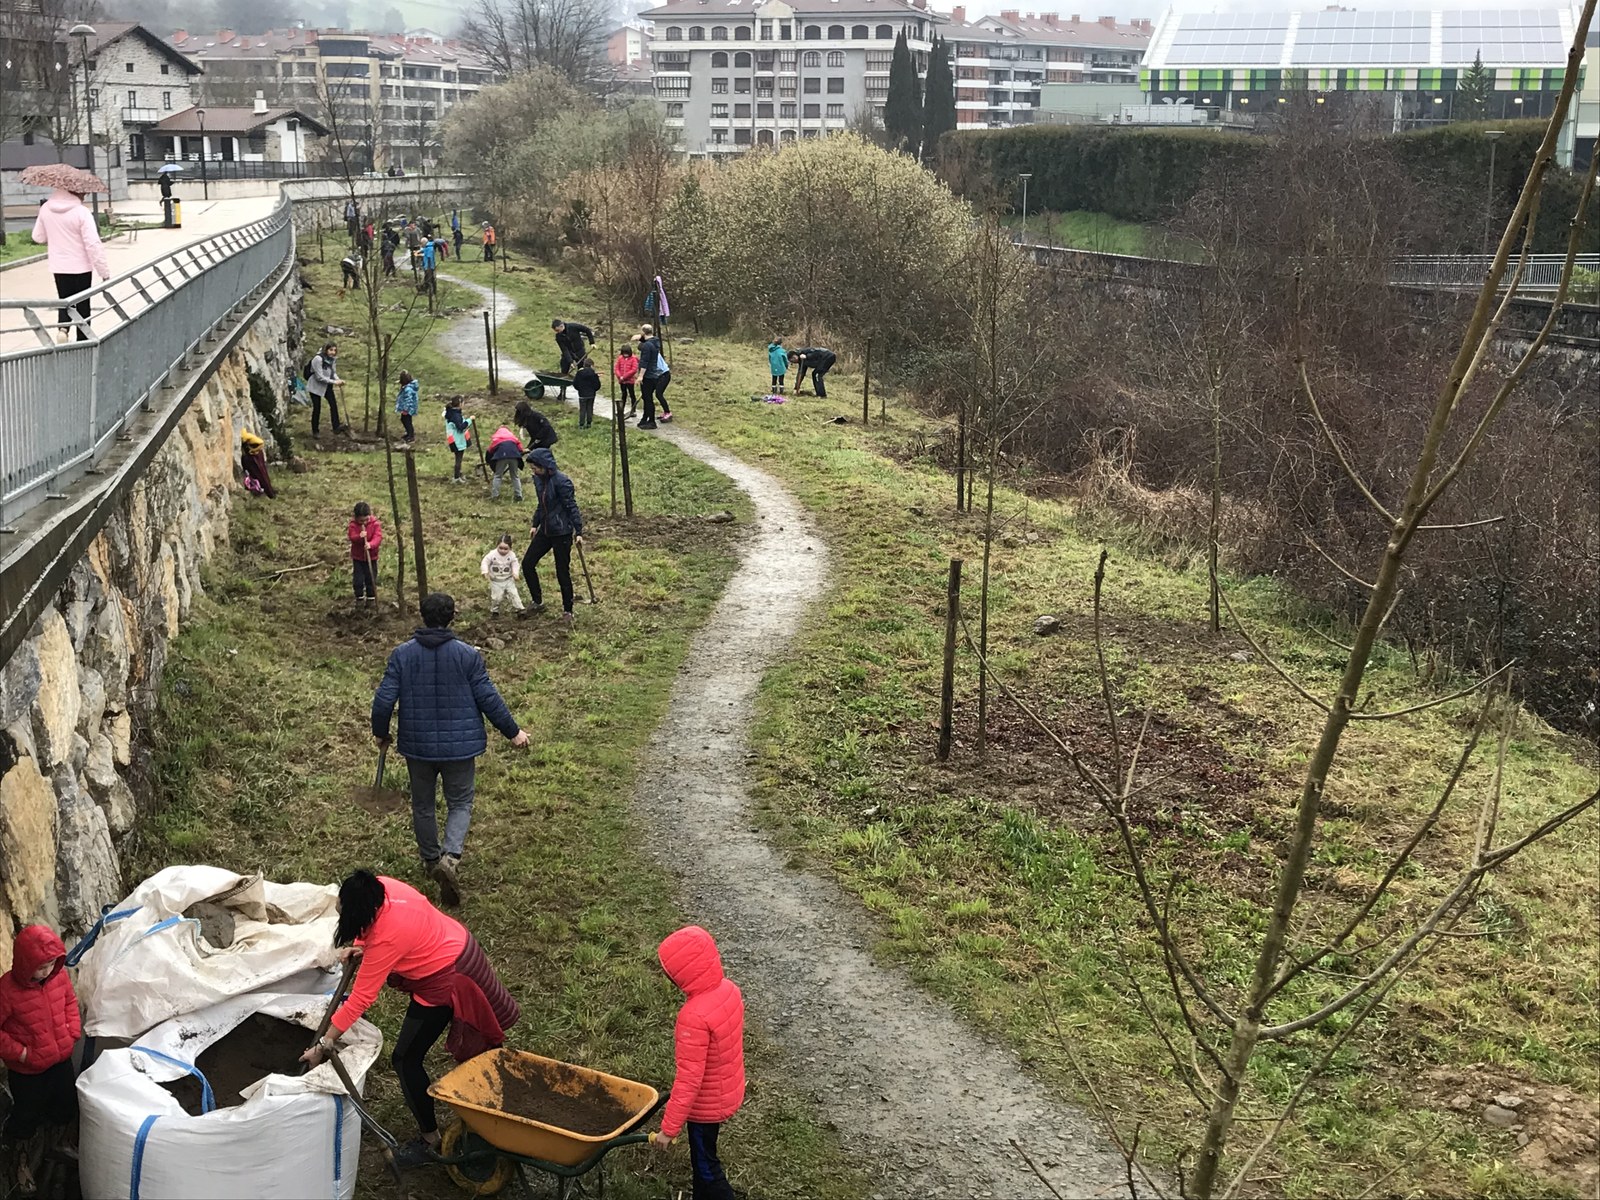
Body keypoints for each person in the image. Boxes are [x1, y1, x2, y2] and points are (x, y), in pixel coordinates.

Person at [300, 871, 521, 1171]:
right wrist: (362, 946)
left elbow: (361, 999)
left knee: (406, 1059)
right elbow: (384, 928)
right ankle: (494, 1105)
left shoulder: (387, 939)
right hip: (455, 942)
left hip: (447, 976)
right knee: (469, 1055)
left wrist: (325, 1042)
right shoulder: (382, 886)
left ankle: (430, 1139)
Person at [371, 592, 530, 904]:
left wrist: (381, 732)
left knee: (423, 804)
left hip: (418, 746)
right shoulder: (467, 655)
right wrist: (514, 732)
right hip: (461, 747)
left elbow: (383, 699)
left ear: (422, 615)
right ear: (452, 617)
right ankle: (451, 858)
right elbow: (488, 698)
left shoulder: (402, 655)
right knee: (460, 803)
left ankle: (431, 861)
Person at [649, 925, 746, 1200]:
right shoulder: (729, 990)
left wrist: (668, 1130)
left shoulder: (693, 1016)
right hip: (727, 1088)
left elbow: (689, 1079)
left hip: (705, 1106)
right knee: (705, 1157)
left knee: (706, 1166)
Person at [0, 925, 83, 1199]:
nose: (46, 971)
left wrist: (72, 1031)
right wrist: (21, 1053)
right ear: (24, 964)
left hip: (59, 1059)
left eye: (50, 964)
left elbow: (70, 1001)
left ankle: (57, 1143)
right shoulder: (7, 990)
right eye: (39, 967)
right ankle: (20, 1156)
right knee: (27, 1113)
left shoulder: (59, 977)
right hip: (28, 1071)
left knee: (65, 1102)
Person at [32, 189, 110, 343]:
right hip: (81, 267)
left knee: (64, 299)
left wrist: (55, 233)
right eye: (84, 193)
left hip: (58, 266)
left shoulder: (46, 208)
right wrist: (104, 271)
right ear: (78, 193)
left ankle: (63, 329)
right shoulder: (82, 212)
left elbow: (38, 237)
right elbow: (93, 244)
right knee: (83, 304)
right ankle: (83, 339)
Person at [524, 448, 584, 626]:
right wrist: (535, 523)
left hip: (562, 532)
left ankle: (568, 610)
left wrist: (578, 531)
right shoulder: (538, 479)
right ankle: (537, 601)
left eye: (535, 468)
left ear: (545, 466)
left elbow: (571, 506)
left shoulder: (562, 482)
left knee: (562, 571)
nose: (533, 471)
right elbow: (541, 504)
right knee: (528, 563)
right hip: (546, 529)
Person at [637, 325, 673, 430]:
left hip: (651, 375)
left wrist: (640, 376)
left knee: (648, 398)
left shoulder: (647, 347)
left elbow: (644, 362)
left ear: (643, 333)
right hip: (655, 375)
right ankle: (645, 418)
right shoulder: (655, 341)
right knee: (647, 397)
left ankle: (651, 421)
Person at [307, 342, 347, 438]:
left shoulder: (332, 359)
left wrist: (338, 380)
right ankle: (315, 431)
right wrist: (334, 382)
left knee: (333, 404)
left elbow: (333, 372)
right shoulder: (318, 359)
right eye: (331, 350)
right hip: (315, 387)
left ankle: (336, 426)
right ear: (326, 350)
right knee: (317, 408)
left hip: (327, 386)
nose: (333, 352)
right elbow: (319, 377)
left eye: (334, 350)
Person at [480, 535, 525, 615]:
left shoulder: (511, 555)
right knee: (497, 598)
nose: (503, 551)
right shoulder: (492, 554)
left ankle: (520, 609)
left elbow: (515, 564)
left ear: (510, 548)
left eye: (505, 549)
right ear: (497, 546)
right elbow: (485, 562)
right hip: (496, 581)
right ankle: (494, 610)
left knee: (514, 595)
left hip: (508, 580)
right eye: (500, 548)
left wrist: (515, 573)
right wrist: (485, 571)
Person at [349, 501, 382, 602]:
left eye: (366, 520)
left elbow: (378, 537)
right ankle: (359, 597)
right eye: (361, 521)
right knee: (358, 580)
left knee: (371, 578)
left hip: (372, 557)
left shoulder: (375, 524)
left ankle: (371, 598)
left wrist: (370, 544)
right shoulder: (353, 525)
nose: (364, 523)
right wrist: (359, 537)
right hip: (358, 558)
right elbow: (352, 537)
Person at [486, 425, 525, 501]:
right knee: (515, 476)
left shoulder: (497, 439)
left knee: (498, 476)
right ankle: (518, 495)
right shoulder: (513, 438)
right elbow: (520, 449)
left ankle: (495, 496)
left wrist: (489, 461)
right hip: (514, 456)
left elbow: (490, 450)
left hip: (501, 457)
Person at [240, 430, 276, 498]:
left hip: (256, 452)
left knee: (260, 473)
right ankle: (270, 491)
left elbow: (256, 445)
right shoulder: (247, 435)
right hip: (257, 451)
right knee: (263, 473)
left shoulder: (244, 437)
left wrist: (251, 452)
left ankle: (269, 492)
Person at [444, 399, 472, 484]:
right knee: (458, 459)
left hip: (454, 440)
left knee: (458, 458)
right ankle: (456, 478)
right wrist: (469, 420)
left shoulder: (451, 413)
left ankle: (459, 474)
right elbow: (461, 427)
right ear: (459, 404)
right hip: (457, 441)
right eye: (463, 403)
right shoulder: (455, 415)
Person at [573, 357, 601, 429]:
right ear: (591, 365)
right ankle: (589, 423)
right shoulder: (594, 374)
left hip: (582, 394)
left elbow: (575, 383)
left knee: (582, 409)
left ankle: (581, 424)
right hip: (591, 395)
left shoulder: (579, 373)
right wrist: (594, 390)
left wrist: (579, 389)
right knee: (590, 409)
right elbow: (597, 385)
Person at [614, 343, 641, 418]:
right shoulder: (620, 358)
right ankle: (621, 410)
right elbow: (616, 368)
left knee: (632, 395)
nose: (625, 355)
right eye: (624, 354)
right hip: (622, 381)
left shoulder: (633, 359)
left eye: (627, 354)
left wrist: (625, 376)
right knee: (623, 395)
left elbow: (634, 369)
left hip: (630, 381)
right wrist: (620, 376)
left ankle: (633, 410)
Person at [395, 370, 419, 442]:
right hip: (408, 408)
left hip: (408, 409)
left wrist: (405, 409)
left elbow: (408, 400)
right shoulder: (408, 387)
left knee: (406, 421)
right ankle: (408, 433)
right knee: (406, 420)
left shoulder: (408, 389)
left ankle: (410, 435)